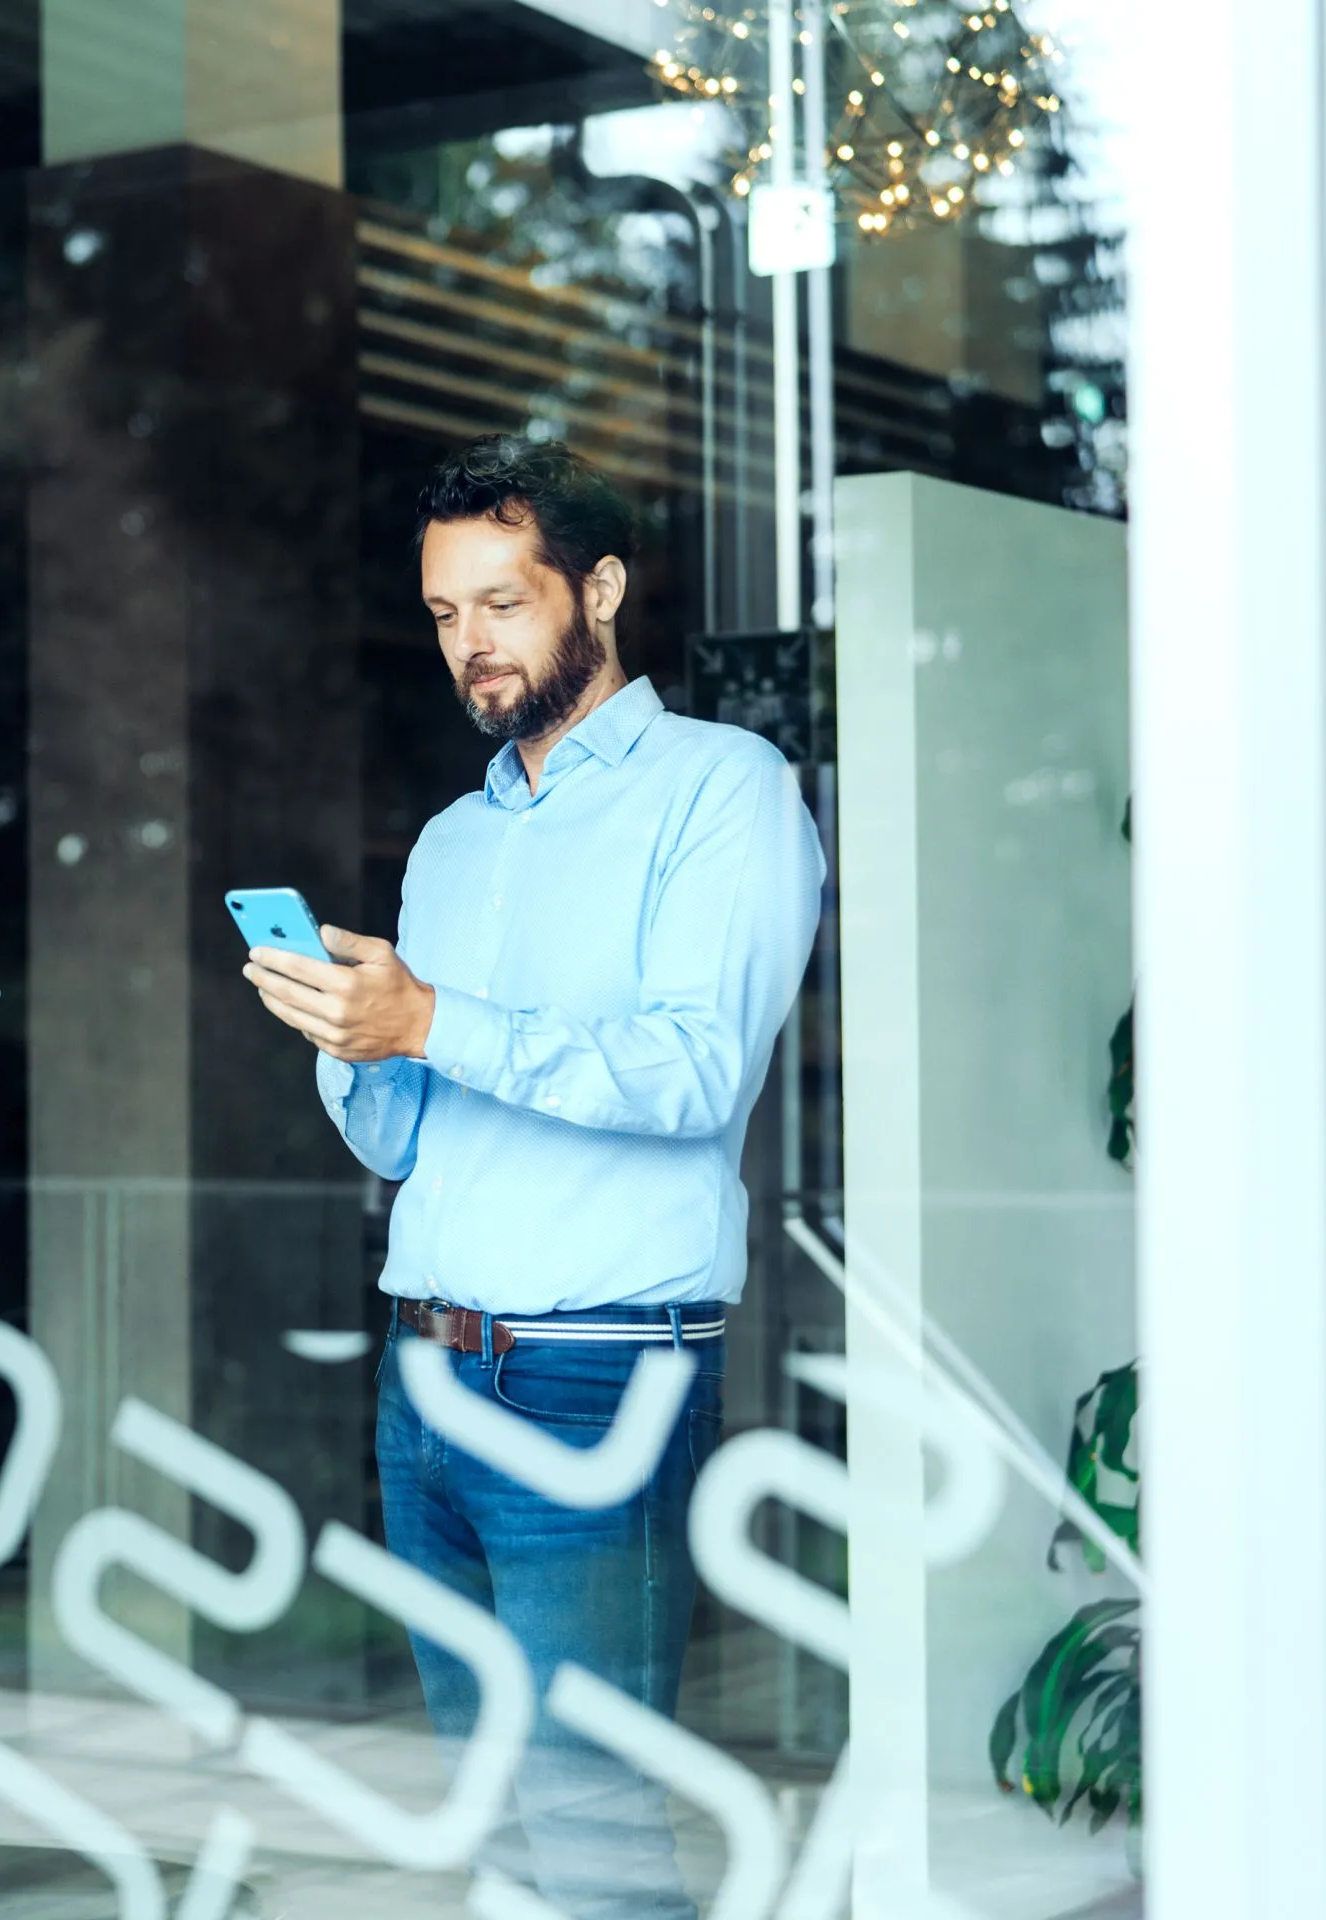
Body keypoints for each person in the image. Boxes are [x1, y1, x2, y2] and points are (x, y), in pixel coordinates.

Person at [242, 436, 823, 1917]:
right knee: (492, 1818)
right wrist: (352, 1037)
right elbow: (403, 1137)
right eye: (445, 615)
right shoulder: (450, 840)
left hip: (594, 1380)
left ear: (600, 587)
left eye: (500, 603)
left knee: (594, 1823)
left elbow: (697, 1073)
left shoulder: (723, 788)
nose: (470, 645)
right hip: (421, 1376)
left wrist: (433, 1019)